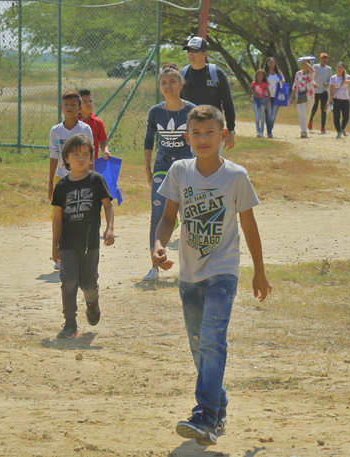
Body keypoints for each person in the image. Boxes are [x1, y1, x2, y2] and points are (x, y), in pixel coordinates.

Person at [152, 105, 271, 446]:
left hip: (223, 271)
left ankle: (204, 415)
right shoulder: (179, 171)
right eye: (196, 133)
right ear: (186, 137)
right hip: (189, 273)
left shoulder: (236, 176)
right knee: (198, 345)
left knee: (212, 339)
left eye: (210, 132)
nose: (203, 139)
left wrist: (259, 273)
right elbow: (168, 217)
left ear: (223, 135)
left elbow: (249, 226)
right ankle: (218, 405)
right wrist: (159, 245)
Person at [52, 134, 115, 338]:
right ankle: (70, 324)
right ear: (66, 159)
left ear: (91, 157)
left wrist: (110, 229)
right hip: (67, 244)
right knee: (68, 282)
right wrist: (54, 245)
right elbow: (57, 217)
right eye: (75, 155)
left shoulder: (96, 180)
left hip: (90, 245)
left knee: (88, 284)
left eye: (85, 155)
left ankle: (92, 302)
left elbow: (108, 205)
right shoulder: (62, 186)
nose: (81, 159)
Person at [142, 64, 198, 281]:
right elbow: (149, 139)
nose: (168, 86)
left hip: (187, 166)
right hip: (162, 166)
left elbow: (200, 139)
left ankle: (191, 266)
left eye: (172, 81)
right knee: (157, 215)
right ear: (159, 86)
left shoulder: (192, 110)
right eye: (163, 82)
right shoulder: (156, 111)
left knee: (188, 215)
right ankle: (154, 266)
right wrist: (147, 167)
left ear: (181, 84)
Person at [49, 90, 95, 269]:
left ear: (79, 108)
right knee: (60, 216)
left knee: (78, 216)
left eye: (73, 105)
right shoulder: (56, 130)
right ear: (61, 107)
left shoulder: (84, 129)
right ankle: (61, 254)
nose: (69, 107)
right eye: (66, 104)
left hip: (81, 178)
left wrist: (92, 180)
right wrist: (50, 184)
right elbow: (53, 156)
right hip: (61, 178)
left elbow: (90, 155)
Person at [180, 36, 236, 150]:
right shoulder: (183, 74)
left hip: (212, 129)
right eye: (188, 50)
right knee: (189, 161)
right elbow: (178, 103)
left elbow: (228, 103)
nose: (190, 53)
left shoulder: (216, 73)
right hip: (190, 130)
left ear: (205, 54)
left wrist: (231, 131)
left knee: (211, 160)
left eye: (194, 50)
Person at [76, 88, 111, 160]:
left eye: (90, 101)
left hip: (93, 162)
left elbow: (103, 142)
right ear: (78, 105)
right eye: (85, 102)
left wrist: (106, 151)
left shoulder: (98, 123)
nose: (89, 103)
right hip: (77, 161)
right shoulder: (74, 122)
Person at [327, 61, 350, 139]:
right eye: (338, 67)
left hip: (345, 99)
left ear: (344, 68)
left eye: (341, 67)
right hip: (336, 99)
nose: (339, 69)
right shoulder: (333, 78)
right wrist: (331, 98)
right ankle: (338, 132)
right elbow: (331, 88)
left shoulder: (347, 76)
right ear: (336, 68)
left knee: (346, 115)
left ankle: (343, 128)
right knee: (336, 116)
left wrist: (349, 81)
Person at [289, 57, 316, 138]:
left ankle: (304, 128)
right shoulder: (298, 74)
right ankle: (304, 131)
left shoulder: (311, 73)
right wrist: (291, 97)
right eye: (301, 64)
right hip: (300, 96)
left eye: (304, 64)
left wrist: (307, 63)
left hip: (310, 96)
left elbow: (313, 71)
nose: (302, 65)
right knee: (302, 113)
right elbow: (295, 85)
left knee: (308, 113)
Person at [262, 56, 286, 138]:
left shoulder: (278, 73)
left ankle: (270, 128)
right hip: (267, 96)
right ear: (267, 64)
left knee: (274, 114)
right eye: (270, 62)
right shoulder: (264, 73)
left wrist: (281, 83)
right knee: (268, 114)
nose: (271, 64)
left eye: (273, 62)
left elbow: (283, 81)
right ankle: (269, 132)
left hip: (277, 96)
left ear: (275, 64)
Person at [309, 52, 332, 133]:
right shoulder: (315, 67)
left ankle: (323, 127)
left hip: (324, 91)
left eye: (325, 58)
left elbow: (330, 79)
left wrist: (327, 83)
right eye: (322, 58)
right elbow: (311, 77)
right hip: (315, 91)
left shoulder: (329, 69)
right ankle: (310, 121)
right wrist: (314, 83)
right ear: (320, 59)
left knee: (324, 108)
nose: (324, 60)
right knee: (314, 108)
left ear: (327, 59)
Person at [250, 69, 268, 138]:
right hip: (255, 100)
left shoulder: (264, 84)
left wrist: (267, 102)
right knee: (257, 115)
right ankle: (258, 131)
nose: (259, 76)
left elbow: (268, 94)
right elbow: (250, 90)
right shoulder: (254, 83)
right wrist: (251, 96)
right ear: (256, 76)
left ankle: (261, 132)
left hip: (262, 101)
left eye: (261, 75)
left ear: (263, 76)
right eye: (258, 75)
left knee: (262, 116)